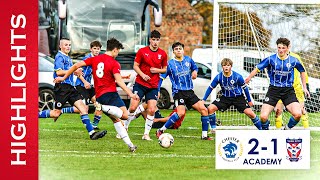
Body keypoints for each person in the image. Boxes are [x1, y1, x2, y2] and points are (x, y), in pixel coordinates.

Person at [54, 38, 140, 152]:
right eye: (118, 51)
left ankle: (130, 145)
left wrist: (63, 77)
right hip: (111, 94)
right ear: (114, 50)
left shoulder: (95, 59)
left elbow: (76, 66)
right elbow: (118, 81)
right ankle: (101, 107)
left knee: (116, 120)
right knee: (124, 115)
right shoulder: (114, 63)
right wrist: (131, 94)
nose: (117, 54)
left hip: (99, 96)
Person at [38, 38, 107, 140]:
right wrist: (75, 70)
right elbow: (59, 72)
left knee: (83, 108)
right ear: (60, 46)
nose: (68, 47)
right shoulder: (59, 57)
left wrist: (75, 71)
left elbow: (69, 71)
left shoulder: (68, 58)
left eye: (69, 45)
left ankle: (92, 133)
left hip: (71, 88)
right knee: (55, 113)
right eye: (66, 45)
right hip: (62, 88)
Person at [245, 37, 310, 130]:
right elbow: (258, 68)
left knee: (298, 114)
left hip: (288, 91)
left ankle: (286, 129)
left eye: (283, 48)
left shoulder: (293, 60)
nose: (281, 50)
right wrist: (249, 77)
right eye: (279, 47)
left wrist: (304, 87)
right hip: (274, 90)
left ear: (288, 48)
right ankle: (266, 129)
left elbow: (302, 71)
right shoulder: (271, 59)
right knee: (263, 117)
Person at [156, 42, 212, 140]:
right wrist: (158, 90)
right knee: (180, 113)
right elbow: (161, 77)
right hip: (178, 92)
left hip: (189, 92)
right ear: (173, 51)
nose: (178, 50)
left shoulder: (188, 60)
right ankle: (161, 130)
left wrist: (195, 72)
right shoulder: (170, 64)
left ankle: (204, 136)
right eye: (176, 49)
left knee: (204, 110)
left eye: (180, 48)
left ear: (183, 50)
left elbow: (195, 68)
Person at [126, 30, 168, 141]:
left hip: (153, 85)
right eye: (153, 40)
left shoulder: (163, 54)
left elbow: (165, 69)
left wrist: (157, 70)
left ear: (159, 41)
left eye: (157, 40)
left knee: (152, 109)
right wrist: (143, 75)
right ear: (150, 40)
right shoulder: (142, 51)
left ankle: (146, 134)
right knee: (133, 107)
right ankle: (125, 127)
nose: (155, 42)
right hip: (140, 83)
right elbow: (135, 66)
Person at [52, 40, 104, 125]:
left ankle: (94, 125)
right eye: (95, 48)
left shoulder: (97, 59)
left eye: (98, 49)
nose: (96, 51)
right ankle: (61, 111)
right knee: (83, 109)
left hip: (88, 86)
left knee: (99, 104)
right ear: (91, 49)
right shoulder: (86, 59)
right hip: (81, 85)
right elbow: (79, 72)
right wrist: (85, 82)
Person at [202, 58, 262, 131]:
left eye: (228, 65)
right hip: (225, 98)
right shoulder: (219, 77)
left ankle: (261, 130)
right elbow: (210, 88)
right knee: (210, 108)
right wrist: (203, 100)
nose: (226, 67)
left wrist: (249, 100)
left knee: (250, 113)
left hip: (238, 98)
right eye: (224, 65)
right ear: (222, 67)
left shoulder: (237, 77)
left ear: (231, 66)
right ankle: (213, 129)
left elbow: (245, 88)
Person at [274, 51, 310, 129]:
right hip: (281, 88)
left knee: (302, 110)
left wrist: (306, 86)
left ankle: (306, 131)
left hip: (296, 88)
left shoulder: (296, 57)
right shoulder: (276, 57)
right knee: (278, 110)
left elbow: (303, 71)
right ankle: (278, 132)